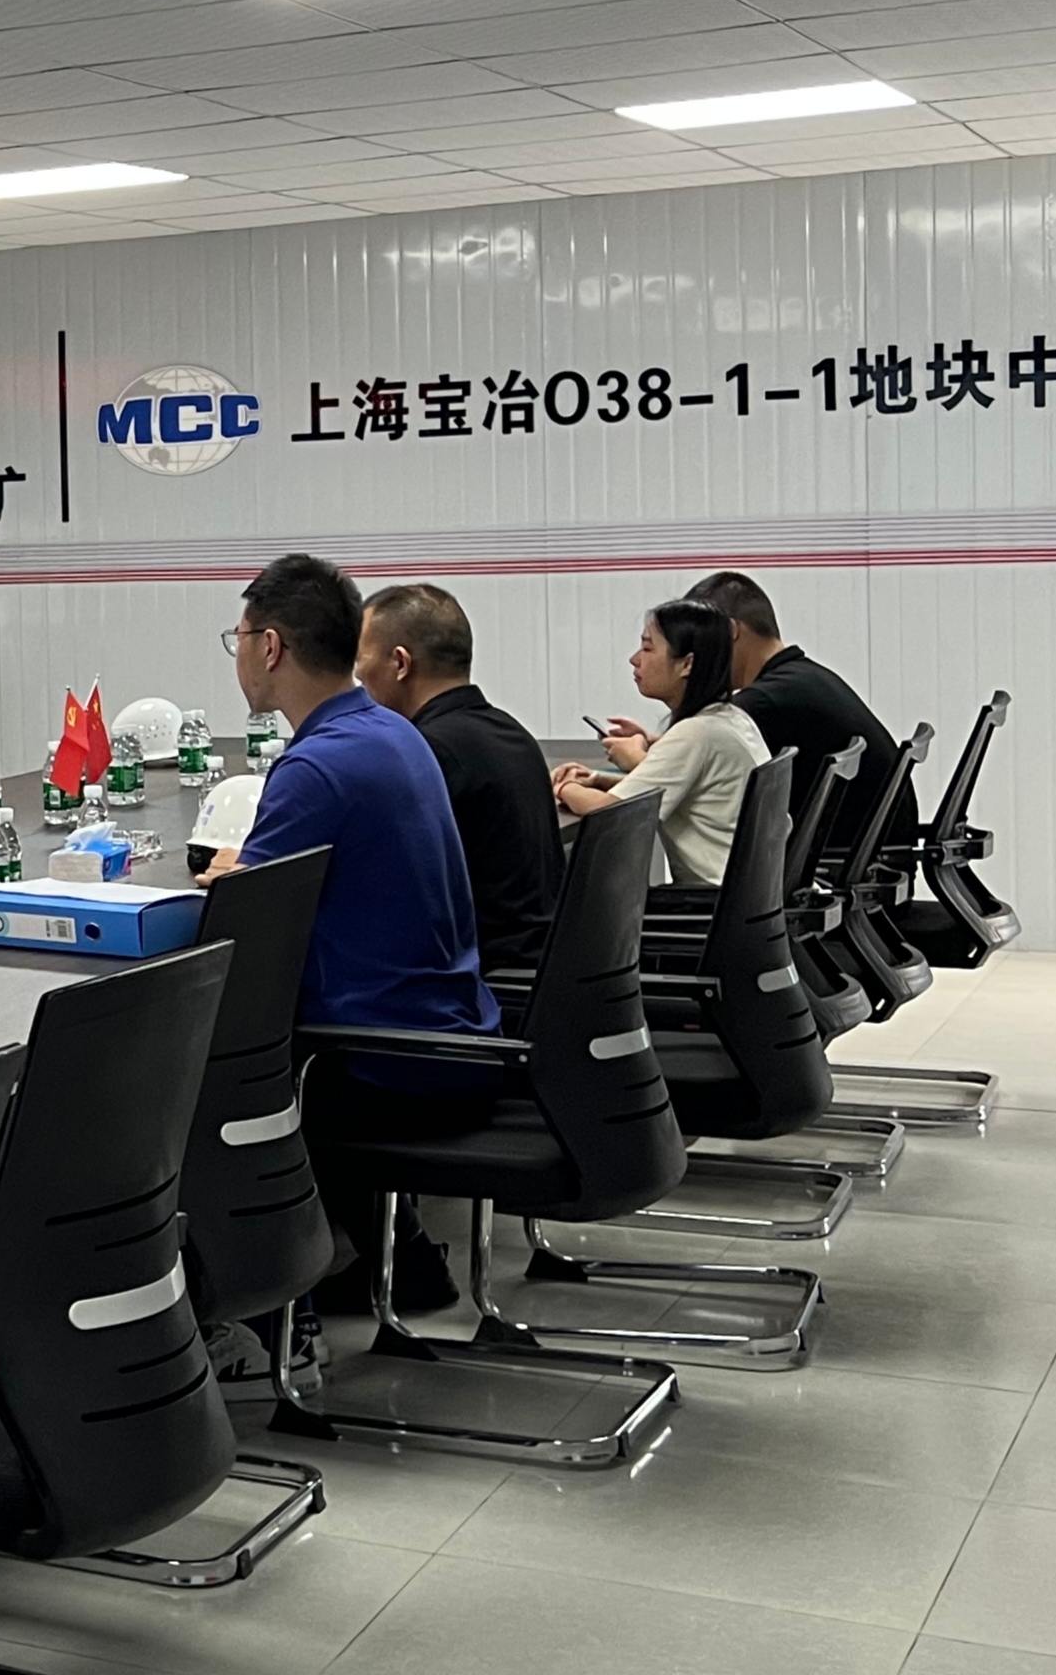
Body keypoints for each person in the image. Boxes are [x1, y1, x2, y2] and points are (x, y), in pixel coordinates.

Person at [199, 554, 499, 1315]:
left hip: (387, 1063)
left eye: (239, 637)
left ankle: (268, 1310)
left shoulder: (315, 767)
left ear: (270, 646)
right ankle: (396, 1259)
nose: (238, 654)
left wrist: (228, 884)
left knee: (195, 1077)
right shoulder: (392, 734)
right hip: (455, 1034)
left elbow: (245, 942)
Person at [355, 581, 562, 971]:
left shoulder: (426, 753)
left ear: (400, 664)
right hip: (541, 968)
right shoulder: (511, 732)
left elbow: (382, 884)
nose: (358, 677)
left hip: (482, 979)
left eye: (360, 661)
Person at [684, 569, 914, 852]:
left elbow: (688, 759)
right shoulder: (801, 680)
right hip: (874, 860)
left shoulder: (765, 702)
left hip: (839, 862)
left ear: (731, 631)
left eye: (700, 643)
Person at [553, 598, 768, 887]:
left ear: (687, 664)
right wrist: (598, 779)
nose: (635, 659)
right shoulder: (733, 718)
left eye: (647, 648)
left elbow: (609, 812)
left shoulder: (696, 734)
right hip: (751, 893)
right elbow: (658, 790)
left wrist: (562, 787)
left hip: (714, 900)